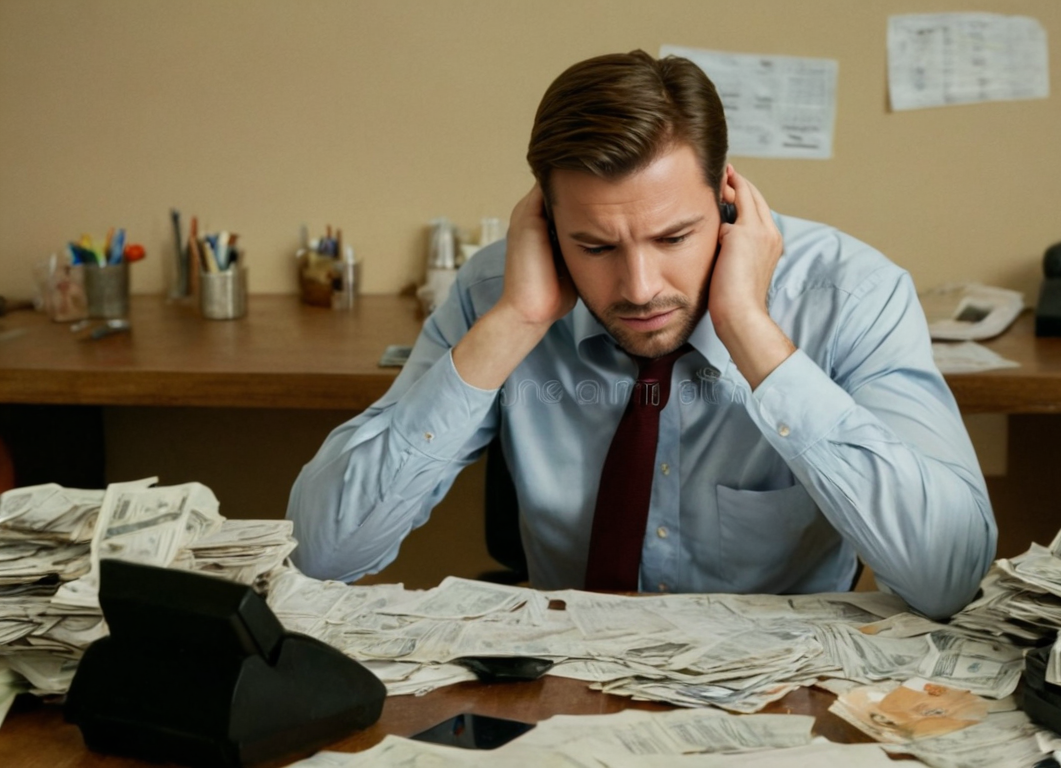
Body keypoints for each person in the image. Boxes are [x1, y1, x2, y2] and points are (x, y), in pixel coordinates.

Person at [287, 50, 995, 618]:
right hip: (566, 687)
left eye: (674, 237)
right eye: (594, 246)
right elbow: (322, 552)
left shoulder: (853, 296)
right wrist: (514, 323)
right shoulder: (494, 293)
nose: (640, 288)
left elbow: (950, 577)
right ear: (545, 221)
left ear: (726, 198)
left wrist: (749, 329)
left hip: (782, 694)